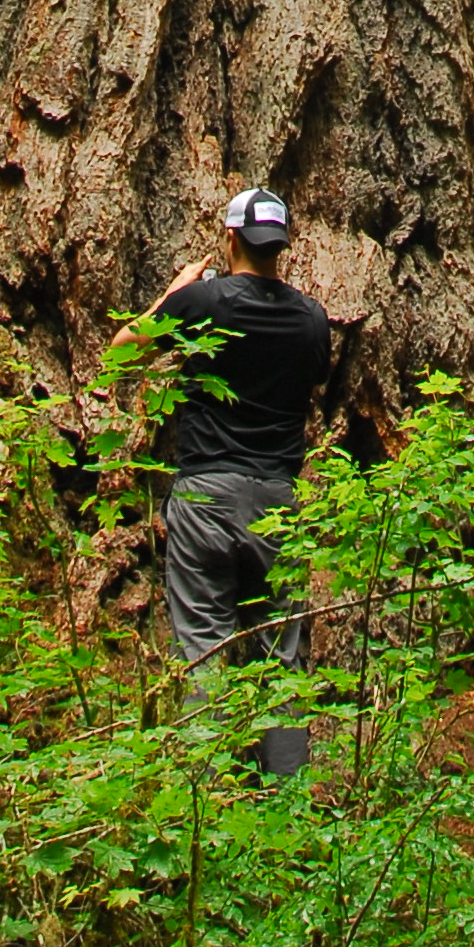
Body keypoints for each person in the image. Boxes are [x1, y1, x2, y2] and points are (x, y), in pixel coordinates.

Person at [147, 186, 332, 776]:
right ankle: (287, 812)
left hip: (205, 497)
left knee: (202, 646)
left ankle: (203, 805)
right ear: (281, 247)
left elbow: (122, 354)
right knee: (282, 658)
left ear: (230, 239)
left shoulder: (204, 303)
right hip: (278, 501)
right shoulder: (311, 320)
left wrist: (174, 294)